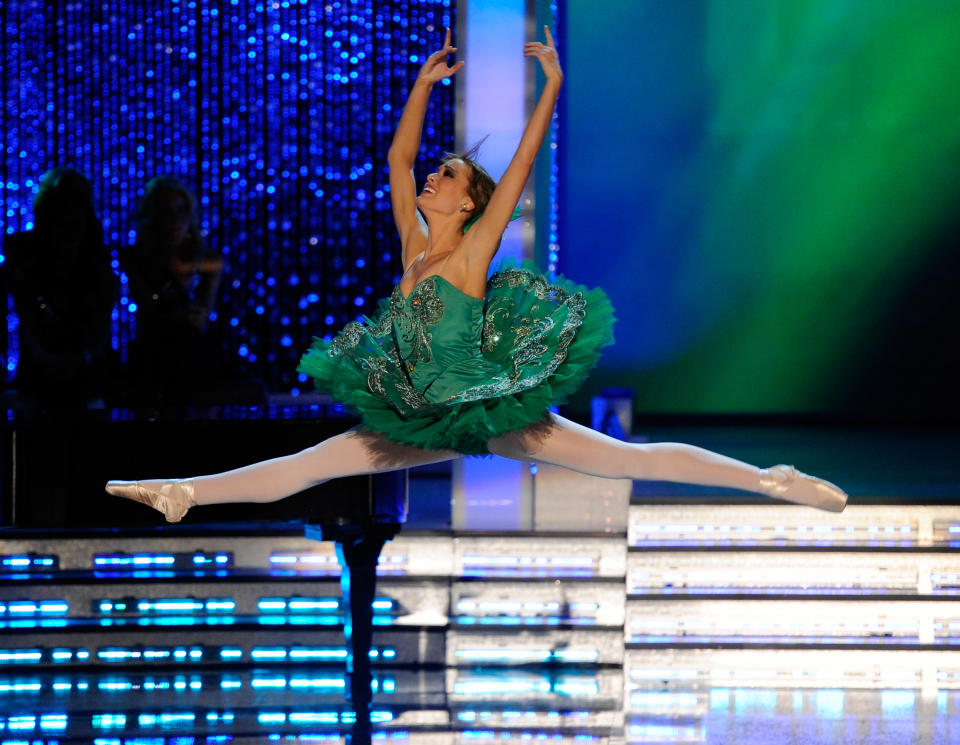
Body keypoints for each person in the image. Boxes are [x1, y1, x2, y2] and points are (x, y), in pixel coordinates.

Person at [107, 27, 847, 522]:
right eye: (437, 170)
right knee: (315, 462)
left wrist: (551, 84)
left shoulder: (471, 247)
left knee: (626, 458)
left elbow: (522, 163)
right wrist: (423, 85)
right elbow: (397, 162)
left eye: (447, 174)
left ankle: (769, 478)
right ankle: (186, 492)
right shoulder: (412, 242)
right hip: (423, 409)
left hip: (491, 406)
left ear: (469, 201)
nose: (431, 176)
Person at [6, 167, 118, 408]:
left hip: (83, 375)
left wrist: (81, 356)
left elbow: (102, 313)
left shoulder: (95, 252)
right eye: (62, 204)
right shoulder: (23, 250)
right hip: (42, 374)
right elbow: (26, 309)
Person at [121, 175, 223, 405]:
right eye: (166, 211)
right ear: (152, 216)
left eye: (181, 211)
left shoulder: (205, 260)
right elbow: (151, 315)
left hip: (196, 362)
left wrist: (191, 268)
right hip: (151, 362)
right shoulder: (135, 258)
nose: (175, 219)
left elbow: (201, 316)